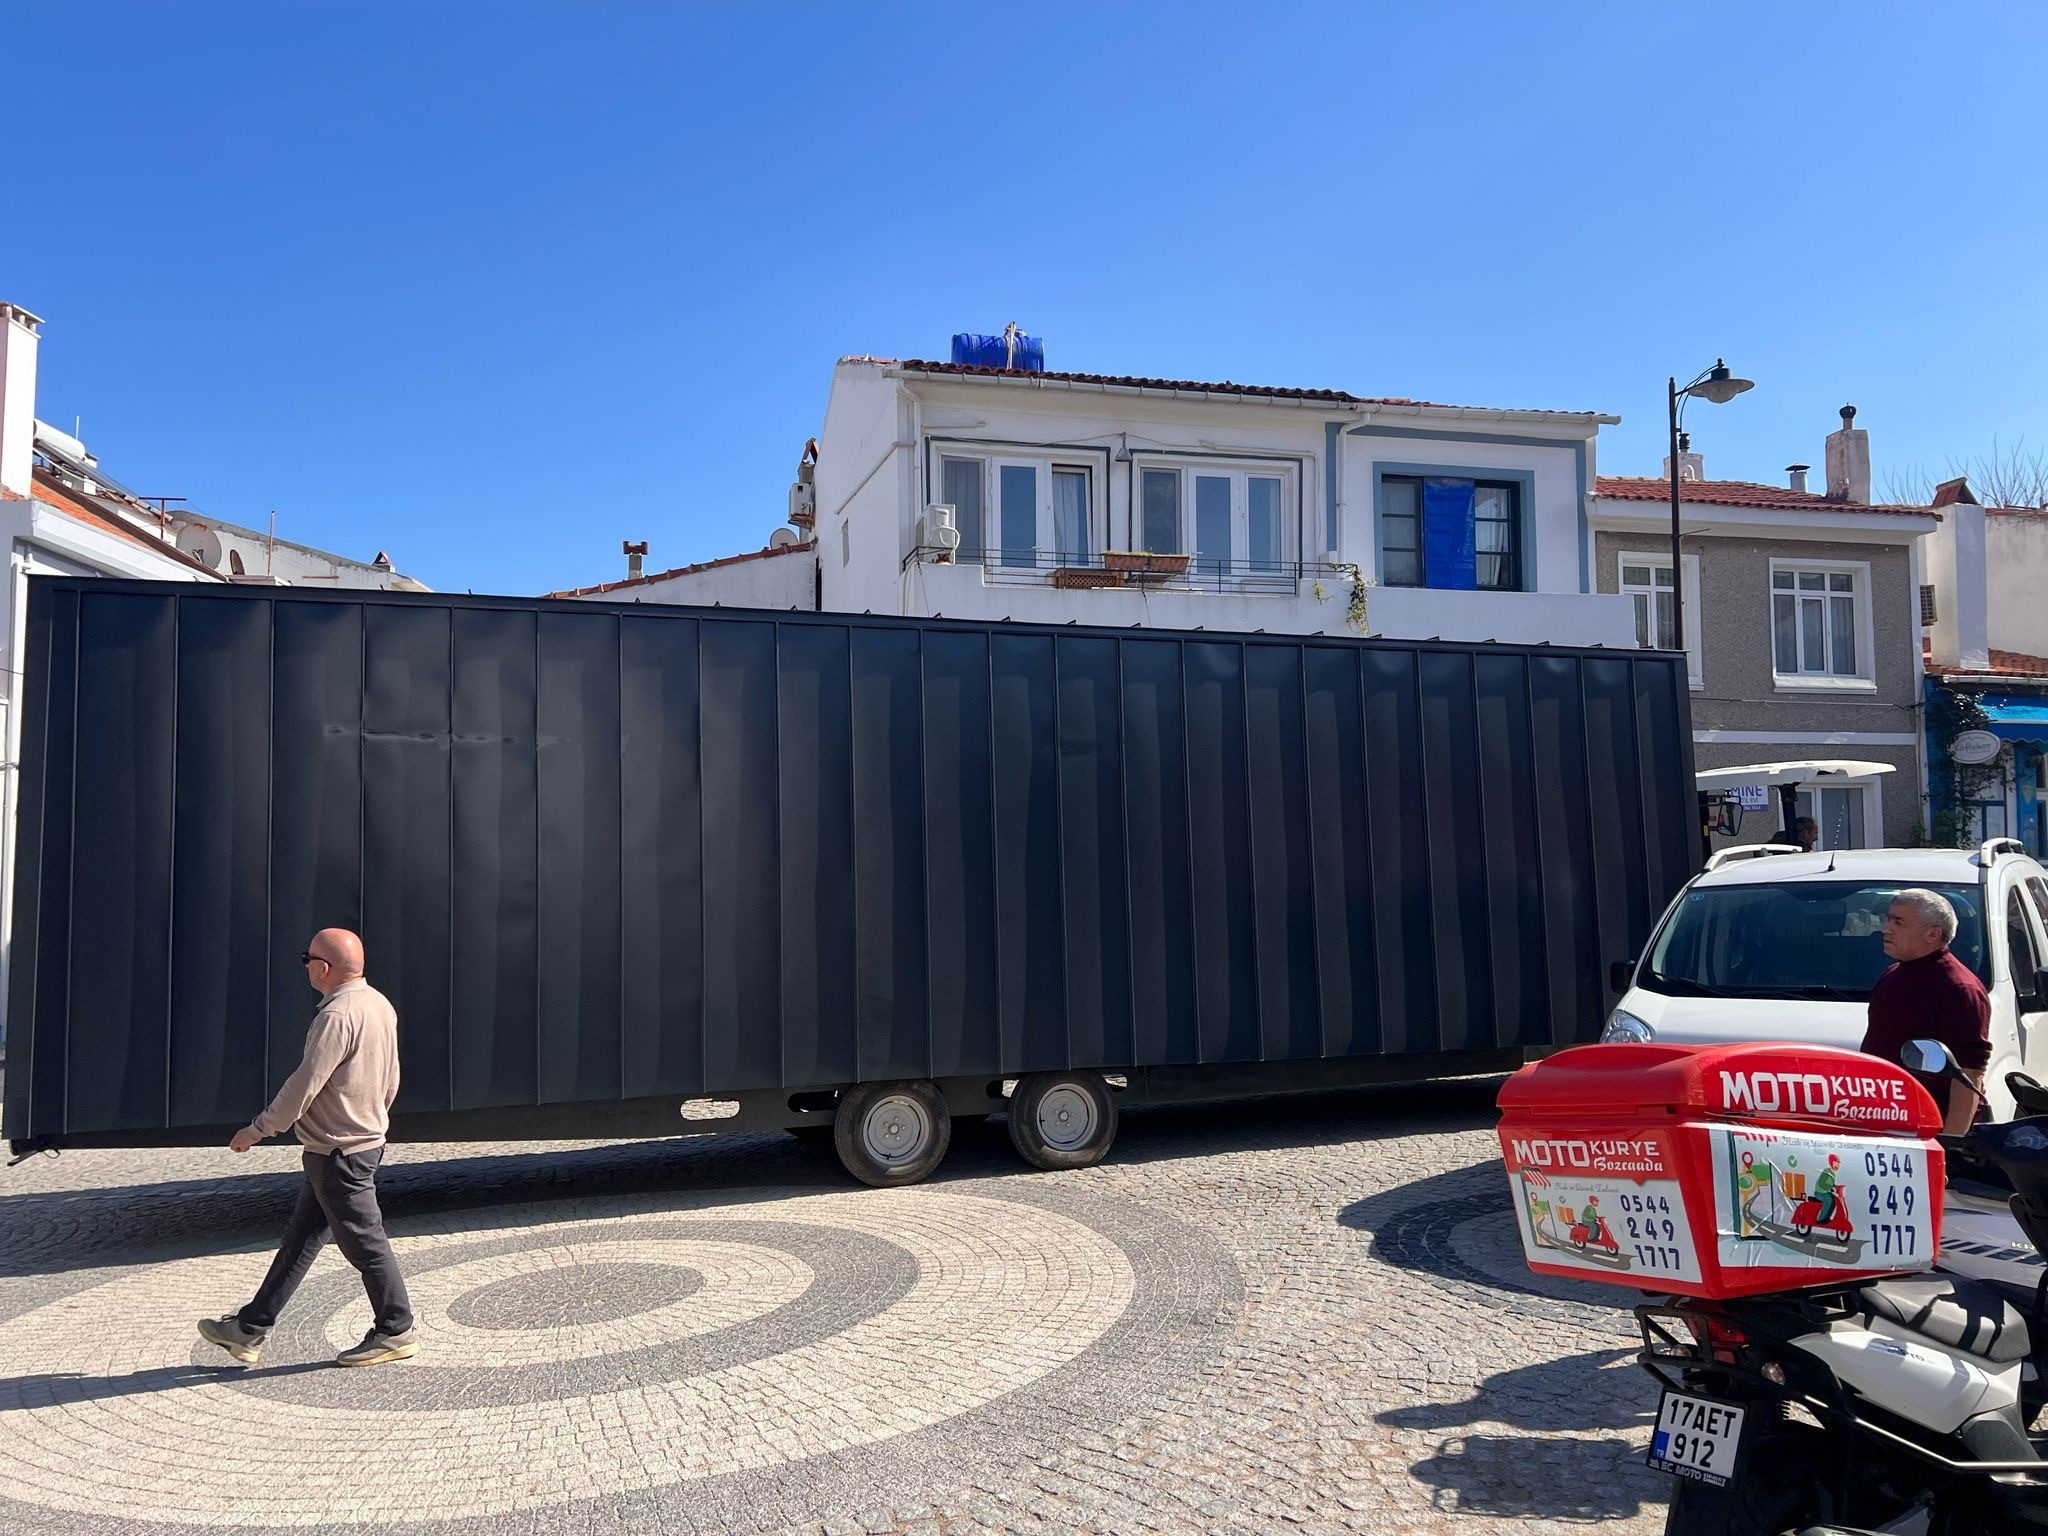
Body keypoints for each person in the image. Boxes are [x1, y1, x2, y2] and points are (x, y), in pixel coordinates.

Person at [196, 929, 419, 1368]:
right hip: (352, 1144)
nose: (305, 966)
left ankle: (396, 1328)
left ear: (324, 967)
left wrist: (259, 1128)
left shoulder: (337, 1015)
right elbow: (391, 1078)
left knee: (366, 1244)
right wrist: (374, 1118)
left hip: (340, 1151)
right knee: (300, 1241)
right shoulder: (378, 1004)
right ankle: (249, 1329)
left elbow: (304, 1085)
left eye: (307, 958)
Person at [1859, 888, 1991, 1136]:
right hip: (1885, 1123)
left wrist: (1948, 1148)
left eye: (1898, 922)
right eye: (1888, 918)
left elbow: (1970, 1074)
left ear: (1932, 933)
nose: (1886, 928)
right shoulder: (1894, 974)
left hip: (1929, 1128)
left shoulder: (1959, 988)